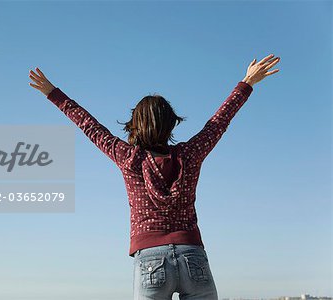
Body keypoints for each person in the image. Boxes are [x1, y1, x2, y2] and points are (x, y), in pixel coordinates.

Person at [28, 54, 280, 300]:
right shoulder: (189, 154)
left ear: (135, 125)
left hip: (149, 257)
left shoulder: (128, 157)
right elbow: (218, 123)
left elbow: (89, 126)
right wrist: (246, 83)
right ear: (171, 124)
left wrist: (53, 93)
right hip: (193, 255)